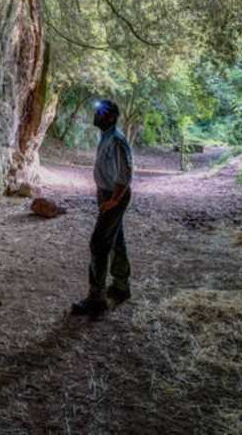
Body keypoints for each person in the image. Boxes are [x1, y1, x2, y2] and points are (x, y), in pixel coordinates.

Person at [71, 99, 133, 319]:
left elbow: (125, 174)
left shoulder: (116, 141)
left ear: (111, 117)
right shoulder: (107, 137)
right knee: (116, 240)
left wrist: (113, 201)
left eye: (100, 113)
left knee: (98, 243)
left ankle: (96, 299)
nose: (96, 115)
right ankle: (121, 285)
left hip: (114, 196)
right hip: (106, 195)